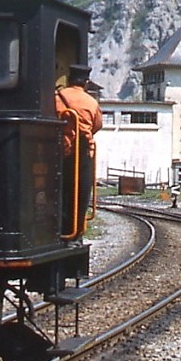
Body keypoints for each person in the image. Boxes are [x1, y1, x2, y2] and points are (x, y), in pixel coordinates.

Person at [55, 64, 102, 238]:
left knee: (60, 192)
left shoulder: (58, 98)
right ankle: (77, 232)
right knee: (80, 194)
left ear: (69, 79)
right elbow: (97, 125)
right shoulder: (92, 102)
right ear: (86, 83)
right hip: (83, 155)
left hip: (60, 152)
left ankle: (58, 230)